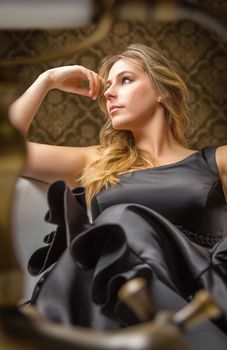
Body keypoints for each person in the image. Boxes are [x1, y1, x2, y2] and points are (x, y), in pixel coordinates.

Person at [9, 44, 227, 349]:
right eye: (107, 86)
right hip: (105, 295)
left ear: (161, 91)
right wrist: (48, 80)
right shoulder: (96, 161)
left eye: (125, 80)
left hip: (189, 288)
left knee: (121, 219)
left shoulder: (216, 162)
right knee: (110, 233)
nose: (109, 93)